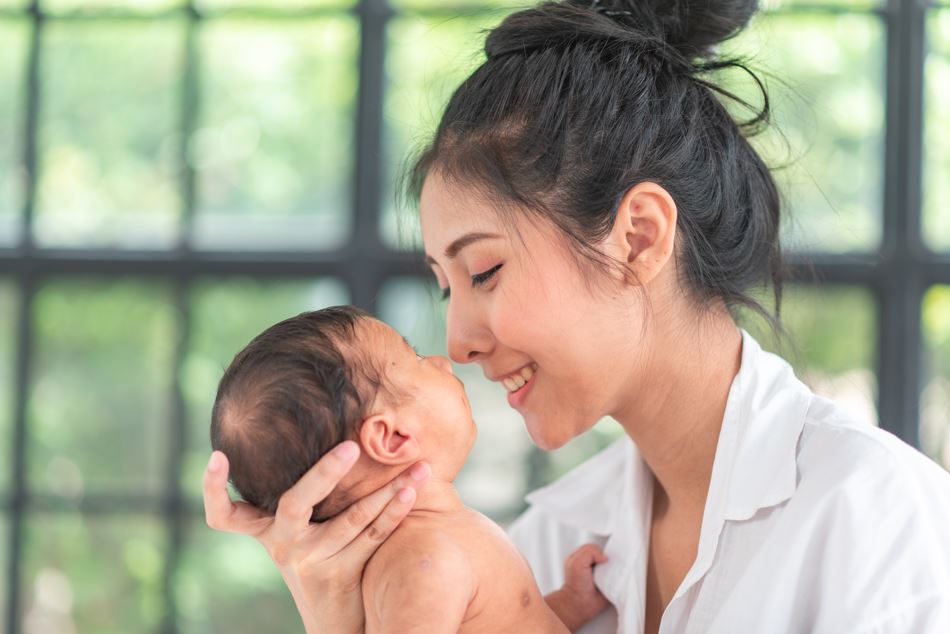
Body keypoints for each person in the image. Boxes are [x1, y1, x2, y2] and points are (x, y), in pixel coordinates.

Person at [202, 0, 950, 631]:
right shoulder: (547, 540)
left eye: (484, 271)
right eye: (444, 287)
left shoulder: (875, 513)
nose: (458, 342)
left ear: (640, 236)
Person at [208, 306, 609, 633]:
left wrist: (569, 604)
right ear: (393, 438)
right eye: (415, 356)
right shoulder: (424, 563)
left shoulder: (436, 544)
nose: (441, 362)